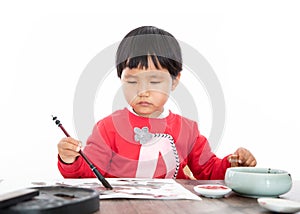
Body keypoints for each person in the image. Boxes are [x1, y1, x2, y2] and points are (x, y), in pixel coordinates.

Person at [57, 26, 256, 180]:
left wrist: (233, 164)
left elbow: (209, 171)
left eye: (154, 81)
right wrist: (70, 159)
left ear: (175, 81)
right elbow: (89, 175)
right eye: (132, 81)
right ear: (121, 80)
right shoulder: (108, 127)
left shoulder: (188, 129)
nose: (143, 91)